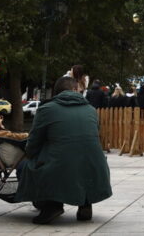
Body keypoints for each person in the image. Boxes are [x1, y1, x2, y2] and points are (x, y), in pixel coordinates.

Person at [15, 75, 111, 224]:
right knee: (80, 156)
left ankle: (52, 205)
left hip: (61, 167)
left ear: (56, 92)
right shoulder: (91, 110)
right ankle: (85, 204)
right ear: (75, 90)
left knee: (24, 166)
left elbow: (33, 143)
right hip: (96, 167)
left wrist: (30, 155)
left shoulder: (46, 109)